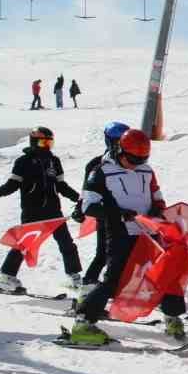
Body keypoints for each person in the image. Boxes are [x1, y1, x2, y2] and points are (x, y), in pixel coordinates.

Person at [68, 129, 173, 346]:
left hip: (147, 233)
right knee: (114, 281)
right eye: (132, 159)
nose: (135, 164)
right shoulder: (101, 171)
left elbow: (156, 195)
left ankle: (173, 317)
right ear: (119, 150)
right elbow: (89, 207)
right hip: (120, 233)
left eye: (141, 160)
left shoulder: (147, 171)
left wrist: (158, 210)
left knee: (161, 276)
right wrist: (119, 213)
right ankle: (83, 322)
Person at [0, 127, 83, 295]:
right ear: (34, 142)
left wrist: (79, 198)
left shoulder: (54, 161)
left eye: (49, 142)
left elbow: (61, 186)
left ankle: (74, 276)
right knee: (24, 244)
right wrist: (0, 191)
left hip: (53, 211)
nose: (46, 146)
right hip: (32, 211)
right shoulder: (23, 162)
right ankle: (6, 276)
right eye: (43, 142)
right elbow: (13, 184)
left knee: (66, 242)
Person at [73, 123, 130, 301]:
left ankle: (119, 288)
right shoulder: (96, 164)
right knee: (103, 254)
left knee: (125, 254)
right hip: (107, 215)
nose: (119, 145)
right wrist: (79, 208)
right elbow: (88, 191)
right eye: (115, 141)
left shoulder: (131, 160)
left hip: (129, 217)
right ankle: (87, 290)